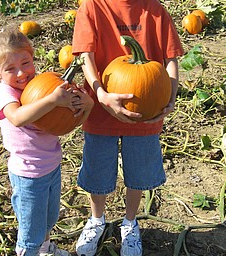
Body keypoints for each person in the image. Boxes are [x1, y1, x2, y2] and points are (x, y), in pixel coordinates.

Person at [72, 0, 184, 255]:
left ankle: (130, 222)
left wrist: (171, 95)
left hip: (145, 113)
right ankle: (96, 219)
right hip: (101, 109)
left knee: (139, 172)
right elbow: (84, 56)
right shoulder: (91, 7)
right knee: (97, 170)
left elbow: (170, 58)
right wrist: (100, 94)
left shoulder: (155, 11)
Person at [0, 27, 94, 256]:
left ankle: (44, 249)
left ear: (32, 57)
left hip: (51, 166)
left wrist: (86, 106)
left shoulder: (42, 83)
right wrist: (54, 100)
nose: (21, 73)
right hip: (28, 175)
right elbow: (17, 118)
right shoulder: (5, 94)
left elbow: (66, 125)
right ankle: (30, 251)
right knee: (31, 231)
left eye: (25, 63)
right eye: (10, 69)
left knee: (48, 219)